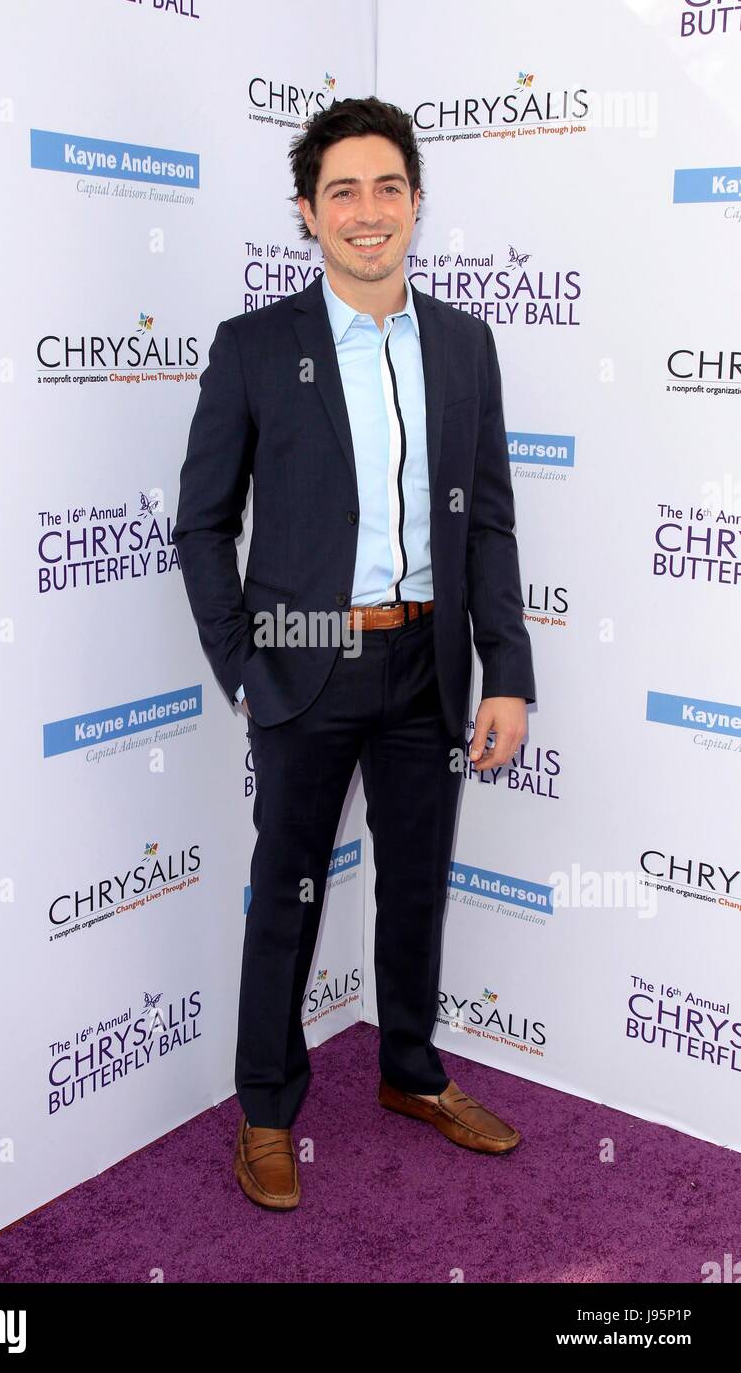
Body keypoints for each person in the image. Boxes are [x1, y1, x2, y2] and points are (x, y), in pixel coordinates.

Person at [173, 96, 536, 1211]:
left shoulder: (466, 346)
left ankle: (409, 1071)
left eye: (387, 188)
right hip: (302, 662)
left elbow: (485, 524)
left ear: (416, 205)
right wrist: (244, 664)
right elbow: (199, 523)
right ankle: (267, 1110)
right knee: (285, 894)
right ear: (306, 212)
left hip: (427, 664)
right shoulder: (253, 349)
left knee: (415, 886)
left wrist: (506, 668)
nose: (367, 212)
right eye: (342, 191)